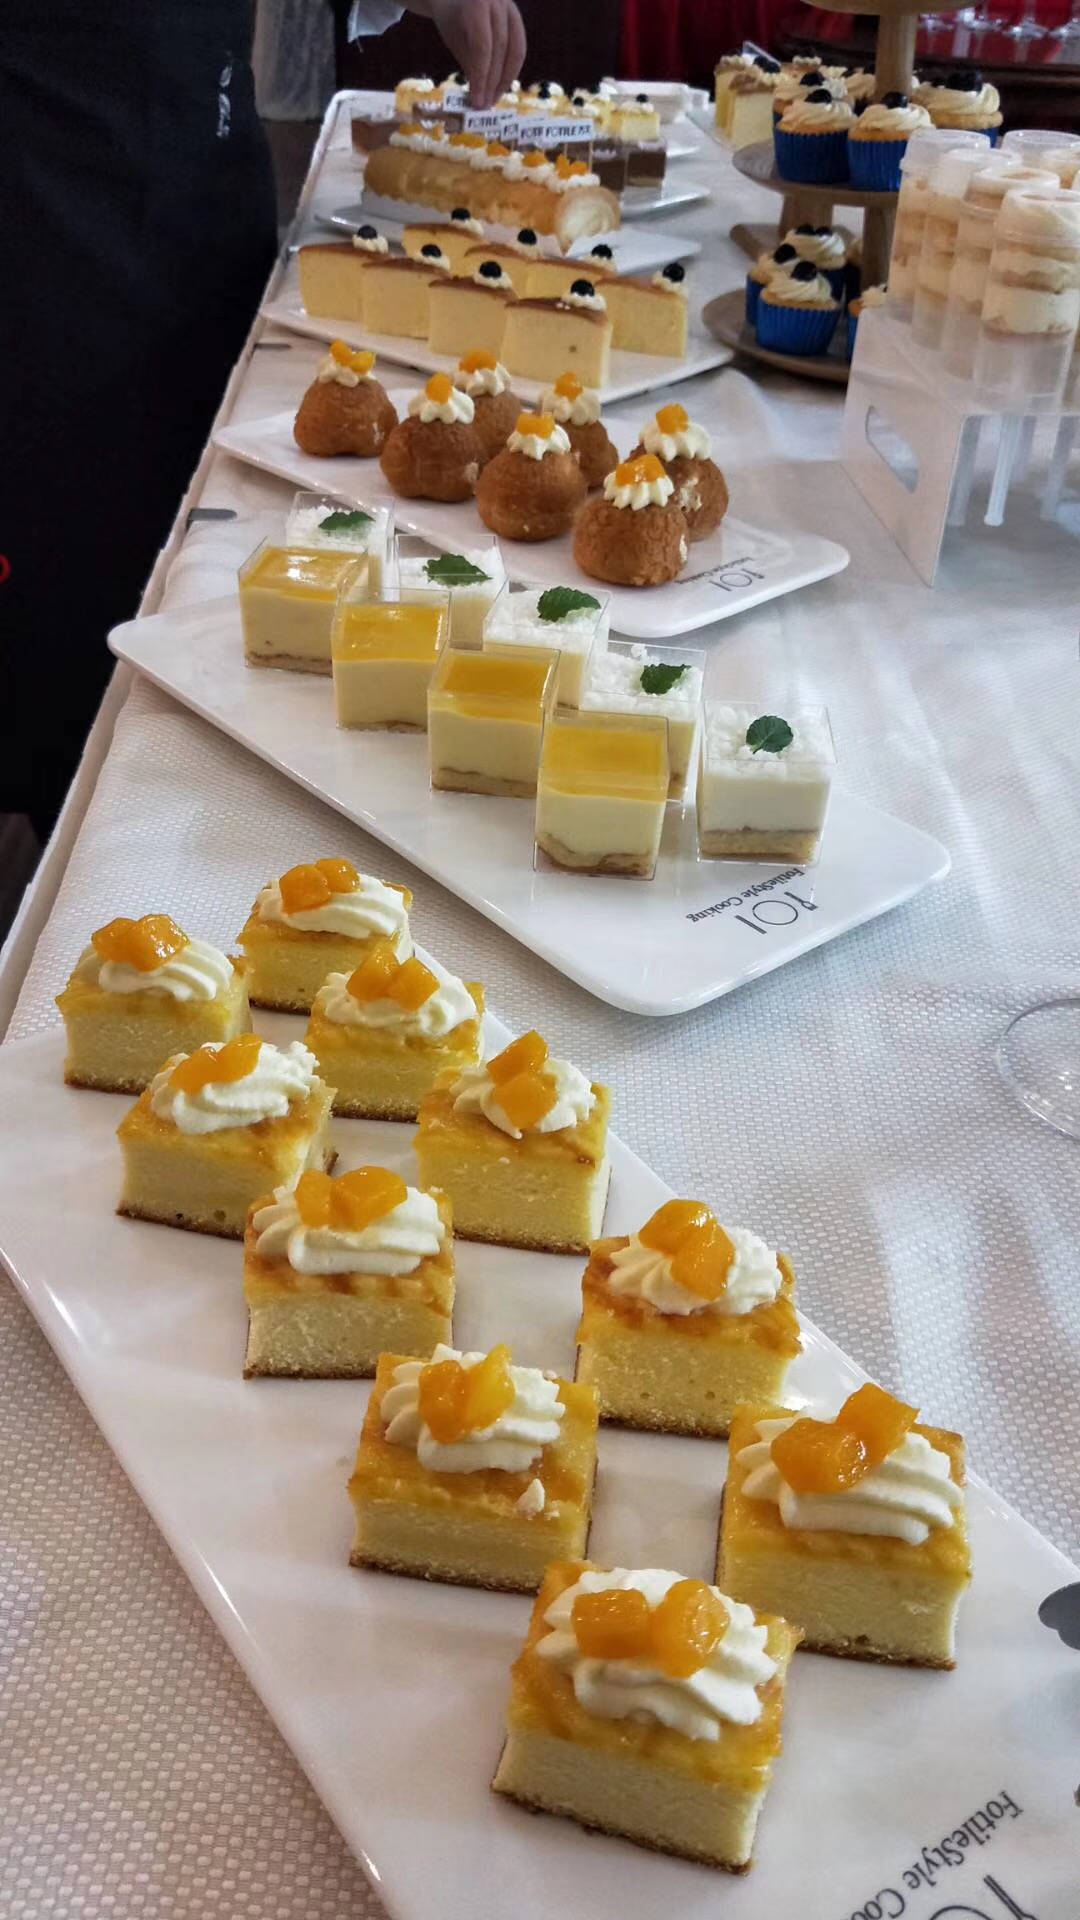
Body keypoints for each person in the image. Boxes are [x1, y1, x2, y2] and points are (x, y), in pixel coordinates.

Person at [0, 0, 524, 843]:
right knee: (81, 579)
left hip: (201, 186)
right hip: (58, 230)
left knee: (210, 542)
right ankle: (89, 830)